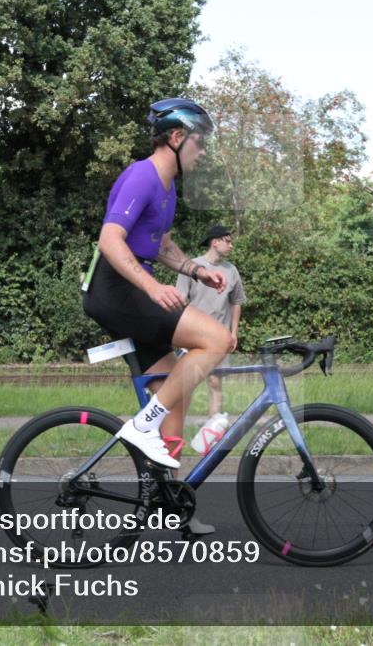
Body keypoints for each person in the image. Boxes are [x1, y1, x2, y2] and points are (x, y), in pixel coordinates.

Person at [82, 98, 233, 476]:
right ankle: (142, 426)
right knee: (217, 340)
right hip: (114, 290)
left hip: (127, 290)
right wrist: (152, 288)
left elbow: (162, 246)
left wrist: (196, 271)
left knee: (174, 391)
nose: (202, 152)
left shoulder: (167, 189)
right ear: (177, 138)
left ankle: (167, 494)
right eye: (200, 142)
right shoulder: (142, 176)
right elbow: (110, 240)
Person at [175, 226, 245, 453]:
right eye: (227, 241)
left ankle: (211, 438)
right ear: (215, 242)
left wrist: (233, 332)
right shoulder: (192, 267)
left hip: (220, 338)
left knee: (215, 383)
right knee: (185, 385)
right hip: (193, 337)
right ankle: (174, 434)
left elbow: (236, 302)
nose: (231, 245)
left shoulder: (232, 271)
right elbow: (180, 301)